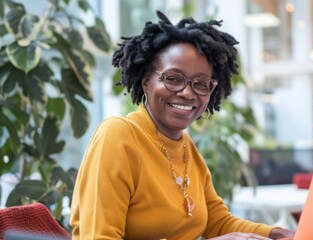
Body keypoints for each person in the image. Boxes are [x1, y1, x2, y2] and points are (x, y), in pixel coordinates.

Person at [70, 11, 295, 240]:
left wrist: (277, 233)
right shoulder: (118, 136)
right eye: (173, 79)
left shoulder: (185, 146)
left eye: (201, 83)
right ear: (146, 81)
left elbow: (217, 221)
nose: (188, 93)